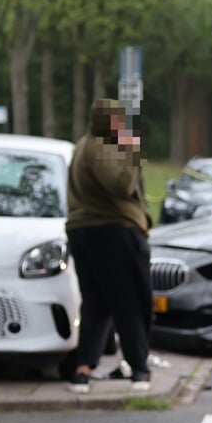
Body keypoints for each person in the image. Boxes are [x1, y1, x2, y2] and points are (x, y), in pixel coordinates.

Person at [64, 98, 154, 393]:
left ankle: (83, 369)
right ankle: (139, 368)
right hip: (112, 232)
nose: (123, 126)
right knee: (130, 300)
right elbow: (121, 185)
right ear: (108, 122)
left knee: (97, 302)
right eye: (119, 121)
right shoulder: (101, 147)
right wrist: (132, 149)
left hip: (84, 230)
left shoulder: (82, 146)